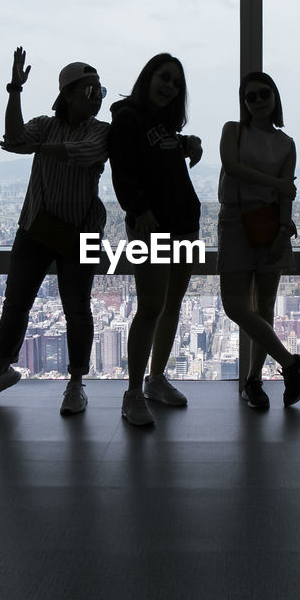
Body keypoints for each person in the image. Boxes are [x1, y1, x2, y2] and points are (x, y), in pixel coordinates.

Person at [0, 48, 109, 414]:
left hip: (79, 230)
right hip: (36, 226)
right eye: (91, 91)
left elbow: (82, 152)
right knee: (15, 304)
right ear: (67, 94)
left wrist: (35, 148)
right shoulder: (45, 125)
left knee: (77, 309)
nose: (97, 98)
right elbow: (14, 136)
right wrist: (14, 89)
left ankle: (76, 383)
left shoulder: (101, 131)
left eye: (101, 92)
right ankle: (0, 370)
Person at [108, 53, 205, 426]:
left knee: (172, 303)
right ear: (148, 77)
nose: (170, 86)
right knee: (150, 306)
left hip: (184, 223)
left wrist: (187, 143)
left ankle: (156, 379)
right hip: (151, 227)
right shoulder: (127, 118)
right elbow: (124, 172)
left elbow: (159, 156)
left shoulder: (162, 123)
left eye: (176, 83)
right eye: (165, 77)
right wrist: (140, 211)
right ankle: (132, 393)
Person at [217, 72, 300, 410]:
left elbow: (285, 195)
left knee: (265, 307)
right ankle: (290, 364)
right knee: (235, 305)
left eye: (264, 94)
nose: (258, 100)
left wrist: (284, 230)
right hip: (234, 221)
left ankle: (254, 380)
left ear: (275, 98)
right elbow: (232, 166)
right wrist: (278, 183)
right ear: (244, 102)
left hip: (272, 223)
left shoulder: (286, 143)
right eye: (251, 96)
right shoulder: (233, 130)